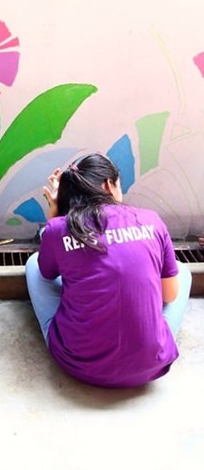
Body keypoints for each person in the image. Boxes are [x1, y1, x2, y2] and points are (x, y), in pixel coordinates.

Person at [25, 153, 192, 388]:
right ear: (108, 185)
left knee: (35, 264)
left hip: (79, 365)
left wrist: (54, 217)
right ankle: (151, 339)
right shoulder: (151, 220)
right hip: (149, 365)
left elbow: (47, 273)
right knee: (181, 272)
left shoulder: (58, 228)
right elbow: (169, 296)